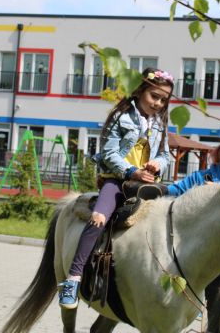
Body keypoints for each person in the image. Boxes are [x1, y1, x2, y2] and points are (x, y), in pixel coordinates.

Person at [57, 68, 174, 309]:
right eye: (154, 96)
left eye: (163, 100)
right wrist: (132, 172)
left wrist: (157, 164)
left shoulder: (160, 124)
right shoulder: (121, 117)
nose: (158, 103)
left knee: (172, 217)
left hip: (146, 184)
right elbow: (109, 154)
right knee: (98, 219)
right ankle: (73, 278)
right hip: (119, 182)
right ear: (140, 91)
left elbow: (165, 155)